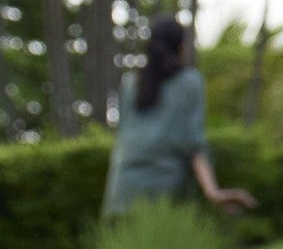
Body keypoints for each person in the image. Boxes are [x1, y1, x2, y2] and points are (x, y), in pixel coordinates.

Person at [103, 19, 257, 220]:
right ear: (181, 46)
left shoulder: (130, 84)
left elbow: (122, 138)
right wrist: (212, 192)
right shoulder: (189, 82)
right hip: (166, 191)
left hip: (121, 191)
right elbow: (194, 142)